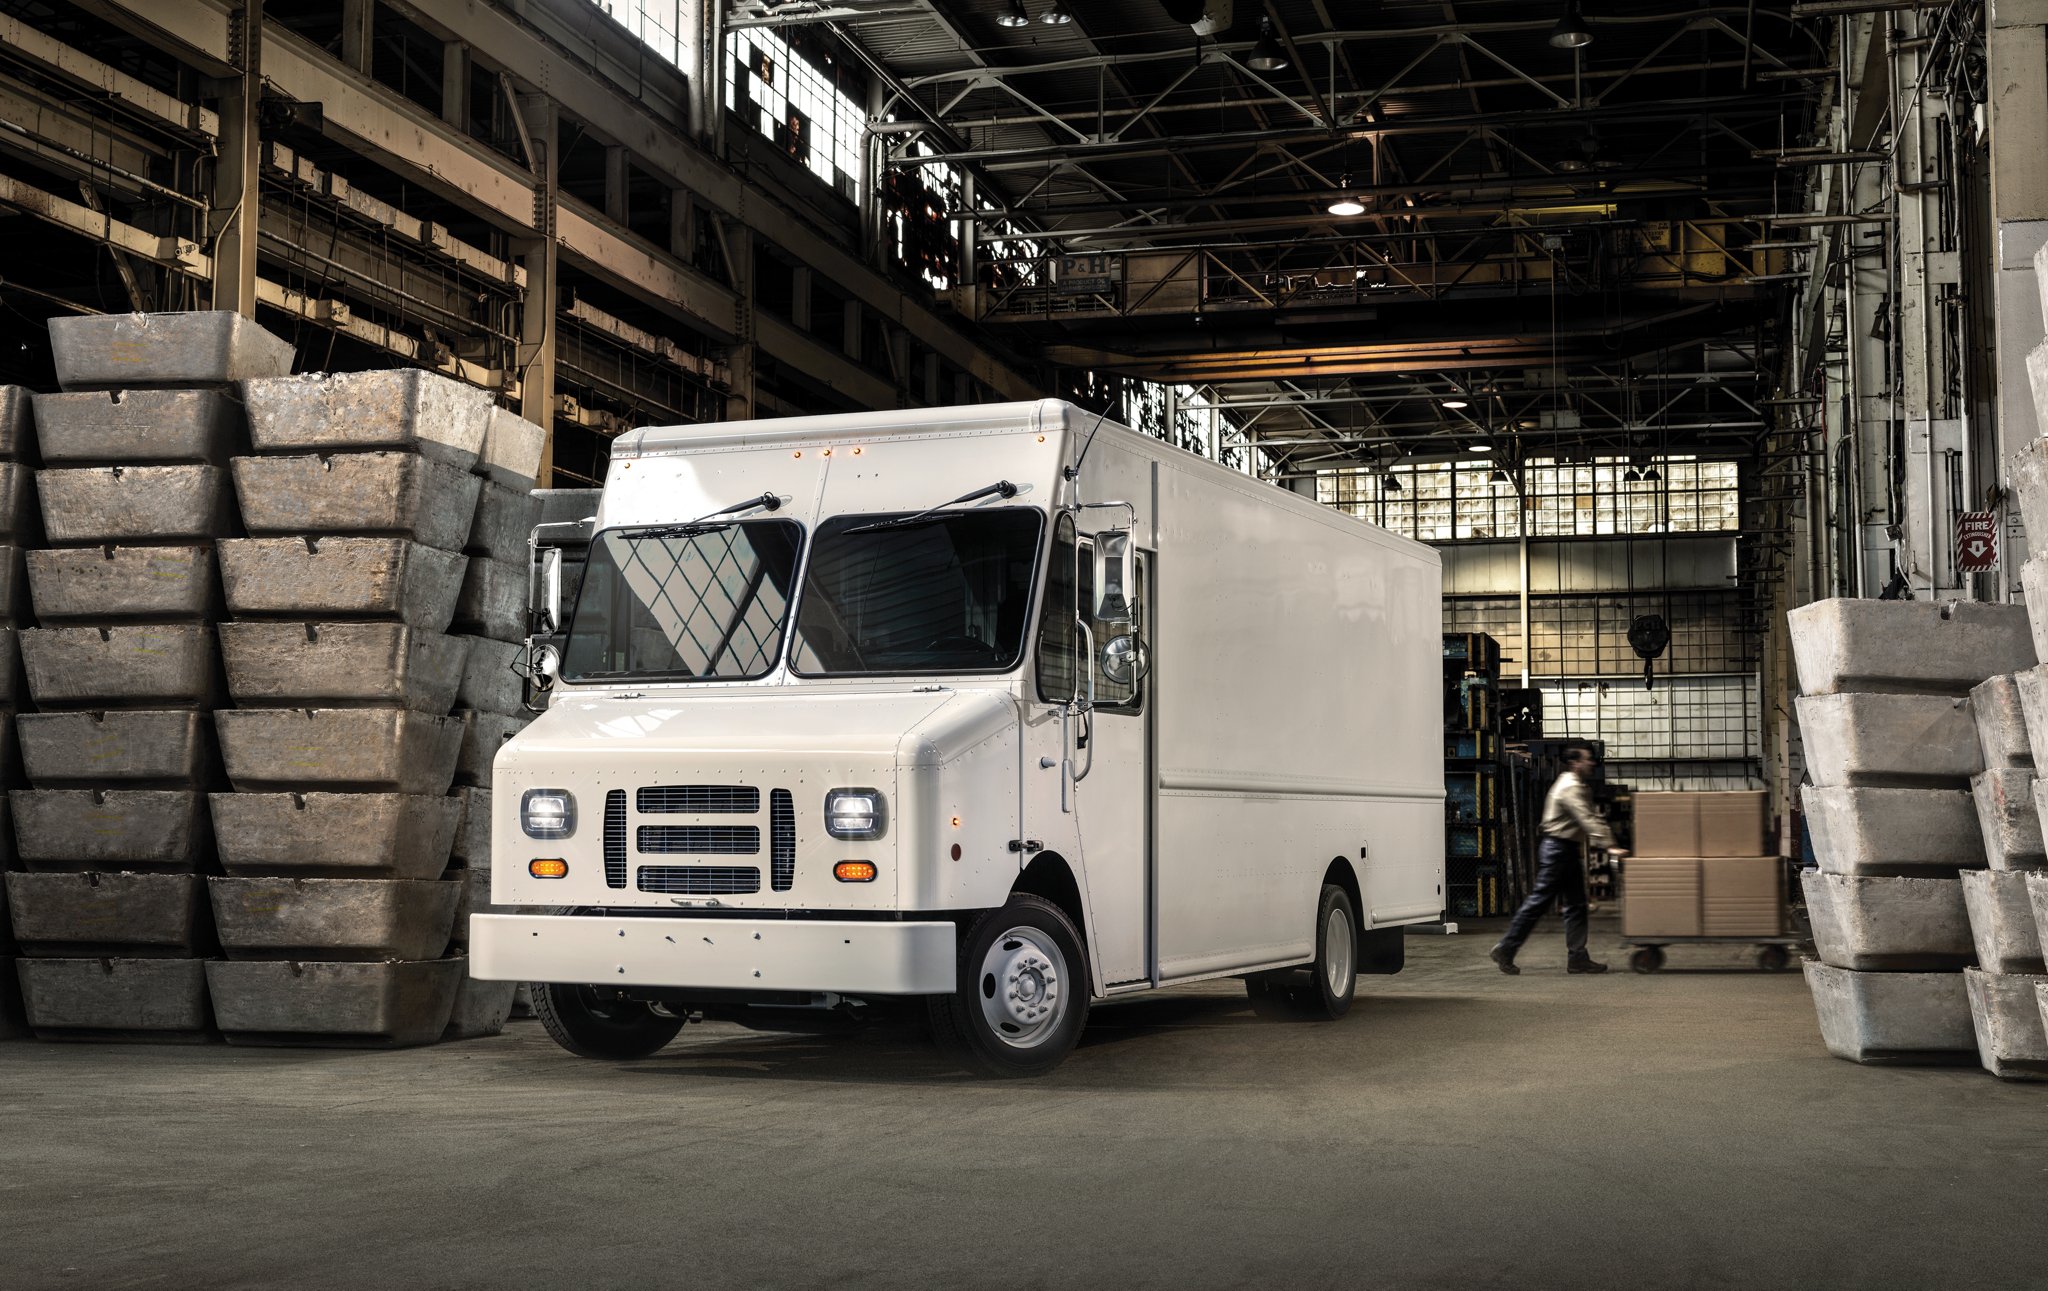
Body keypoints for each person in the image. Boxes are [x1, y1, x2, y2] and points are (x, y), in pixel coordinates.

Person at [1490, 746, 1627, 975]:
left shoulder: (1575, 785)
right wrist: (1611, 846)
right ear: (1575, 763)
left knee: (1577, 905)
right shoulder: (1570, 787)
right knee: (1538, 903)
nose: (1592, 763)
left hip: (1566, 850)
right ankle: (1506, 948)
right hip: (1558, 850)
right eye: (1588, 760)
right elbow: (1587, 819)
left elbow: (1589, 819)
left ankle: (1577, 958)